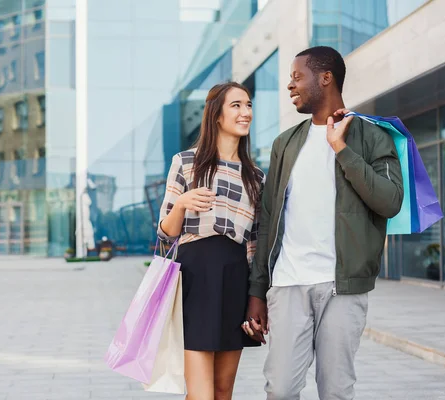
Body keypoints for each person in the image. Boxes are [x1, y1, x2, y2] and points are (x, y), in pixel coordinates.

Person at [244, 46, 404, 399]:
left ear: (326, 77)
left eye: (297, 76)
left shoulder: (372, 136)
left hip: (342, 287)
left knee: (335, 391)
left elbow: (390, 201)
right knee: (281, 389)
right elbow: (268, 218)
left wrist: (341, 149)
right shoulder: (285, 144)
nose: (289, 85)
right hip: (287, 285)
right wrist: (257, 291)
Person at [157, 82, 265, 400]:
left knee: (222, 391)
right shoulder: (186, 162)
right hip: (196, 276)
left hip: (235, 277)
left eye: (248, 105)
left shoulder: (256, 177)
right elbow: (165, 233)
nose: (245, 112)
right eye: (236, 105)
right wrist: (182, 203)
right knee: (201, 394)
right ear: (216, 114)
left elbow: (256, 244)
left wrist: (257, 298)